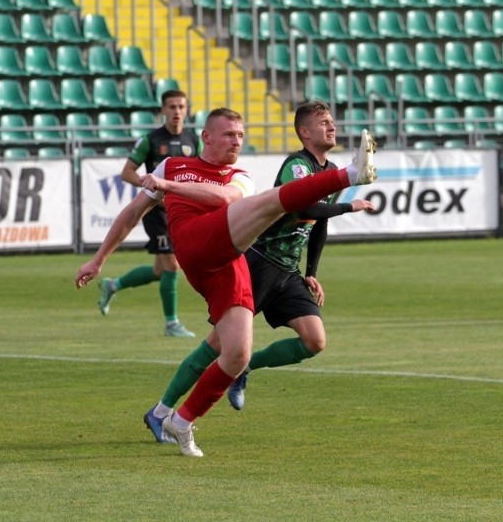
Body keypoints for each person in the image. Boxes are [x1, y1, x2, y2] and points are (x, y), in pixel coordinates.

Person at [75, 107, 377, 457]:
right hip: (195, 243)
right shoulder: (172, 165)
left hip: (229, 262)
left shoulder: (238, 176)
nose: (237, 140)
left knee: (236, 355)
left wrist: (167, 187)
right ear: (206, 137)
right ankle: (351, 173)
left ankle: (181, 421)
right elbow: (131, 214)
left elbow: (226, 199)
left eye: (241, 135)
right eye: (230, 134)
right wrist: (98, 259)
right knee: (271, 202)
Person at [97, 90, 200, 338]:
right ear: (163, 110)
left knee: (159, 271)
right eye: (172, 107)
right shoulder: (151, 140)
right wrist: (152, 186)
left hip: (181, 209)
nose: (177, 111)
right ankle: (171, 324)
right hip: (157, 211)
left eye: (181, 107)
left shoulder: (193, 139)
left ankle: (113, 284)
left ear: (186, 110)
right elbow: (127, 172)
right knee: (172, 266)